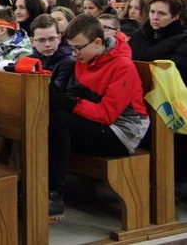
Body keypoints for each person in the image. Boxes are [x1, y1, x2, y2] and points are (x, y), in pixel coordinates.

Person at [48, 14, 149, 219]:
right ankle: (36, 188)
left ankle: (55, 195)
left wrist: (71, 103)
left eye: (77, 48)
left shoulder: (122, 65)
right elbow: (76, 94)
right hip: (95, 122)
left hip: (121, 131)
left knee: (61, 120)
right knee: (46, 118)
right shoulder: (86, 58)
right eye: (72, 48)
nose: (74, 54)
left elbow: (107, 114)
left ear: (96, 42)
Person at [128, 0, 187, 199]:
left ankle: (175, 180)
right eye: (152, 12)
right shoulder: (138, 35)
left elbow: (177, 72)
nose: (155, 17)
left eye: (162, 13)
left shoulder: (183, 39)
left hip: (169, 103)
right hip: (137, 99)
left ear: (175, 16)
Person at [29, 14, 74, 91]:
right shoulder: (30, 59)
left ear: (59, 38)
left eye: (52, 39)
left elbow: (57, 90)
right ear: (32, 41)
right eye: (41, 40)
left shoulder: (67, 61)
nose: (47, 45)